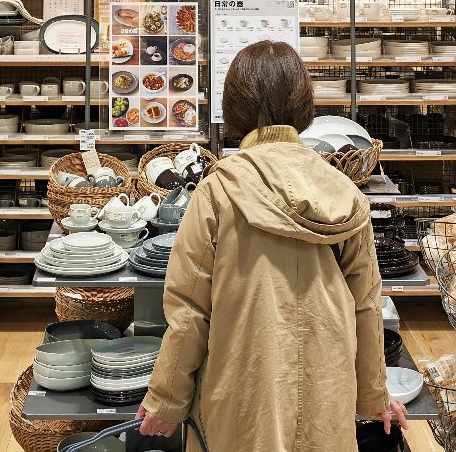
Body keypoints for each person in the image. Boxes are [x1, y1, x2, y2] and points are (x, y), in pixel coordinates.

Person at [135, 41, 407, 450]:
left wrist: (166, 400)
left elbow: (190, 311)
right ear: (304, 105)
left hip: (244, 391)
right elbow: (366, 303)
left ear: (234, 107)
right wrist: (372, 393)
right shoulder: (343, 190)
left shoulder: (218, 188)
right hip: (326, 387)